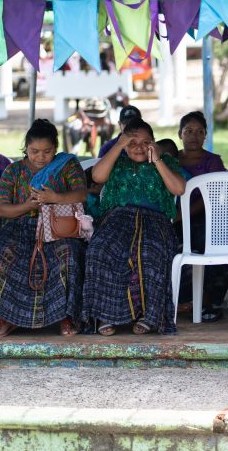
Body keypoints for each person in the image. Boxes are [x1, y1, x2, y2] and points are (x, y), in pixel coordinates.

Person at [0, 119, 87, 339]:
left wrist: (54, 198)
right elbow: (0, 210)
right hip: (19, 226)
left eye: (47, 151)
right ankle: (5, 316)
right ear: (25, 148)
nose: (40, 157)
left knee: (68, 255)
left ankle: (64, 316)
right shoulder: (14, 170)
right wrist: (27, 206)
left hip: (57, 228)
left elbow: (81, 194)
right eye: (34, 151)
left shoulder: (67, 165)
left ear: (55, 149)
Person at [81, 118, 186, 335]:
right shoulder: (117, 160)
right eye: (132, 143)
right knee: (101, 249)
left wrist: (157, 159)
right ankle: (105, 315)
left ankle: (149, 316)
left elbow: (178, 188)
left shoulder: (165, 161)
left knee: (149, 252)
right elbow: (97, 176)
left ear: (154, 143)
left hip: (155, 221)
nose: (138, 147)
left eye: (145, 142)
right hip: (117, 218)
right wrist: (119, 145)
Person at [177, 111, 228, 321]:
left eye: (200, 132)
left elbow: (218, 195)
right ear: (179, 133)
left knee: (209, 244)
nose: (194, 136)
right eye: (188, 131)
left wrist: (185, 214)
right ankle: (179, 301)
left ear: (206, 135)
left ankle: (206, 303)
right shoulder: (170, 159)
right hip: (174, 218)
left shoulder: (213, 161)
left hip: (205, 217)